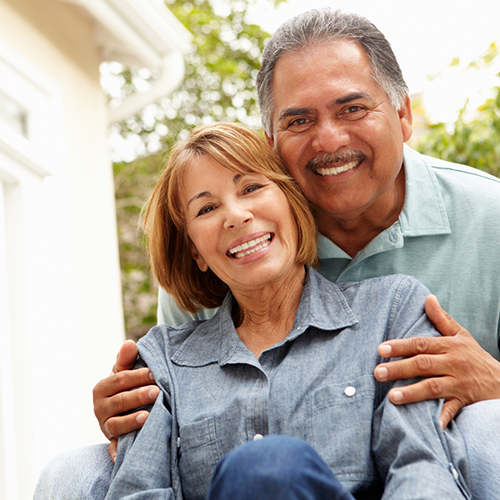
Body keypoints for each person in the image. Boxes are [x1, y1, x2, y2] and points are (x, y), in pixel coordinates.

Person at [35, 8, 500, 500]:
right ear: (273, 144)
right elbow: (141, 480)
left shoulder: (426, 279)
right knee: (74, 471)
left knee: (486, 423)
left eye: (353, 108)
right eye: (299, 120)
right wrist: (130, 413)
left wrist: (493, 379)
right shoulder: (176, 343)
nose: (329, 139)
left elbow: (422, 464)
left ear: (404, 115)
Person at [104, 121, 469, 499]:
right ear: (195, 250)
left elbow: (423, 467)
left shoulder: (393, 311)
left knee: (271, 465)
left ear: (291, 202)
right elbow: (137, 493)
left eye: (251, 187)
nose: (236, 215)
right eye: (207, 208)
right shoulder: (161, 363)